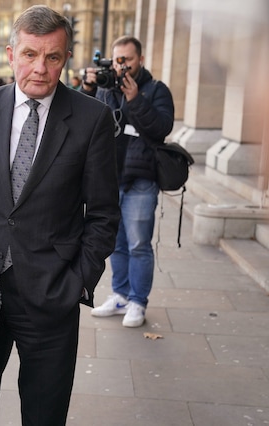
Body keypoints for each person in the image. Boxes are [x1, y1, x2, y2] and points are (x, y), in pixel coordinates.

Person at [0, 5, 120, 426]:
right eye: (30, 54)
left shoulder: (92, 119)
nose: (40, 68)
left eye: (53, 57)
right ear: (11, 53)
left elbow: (104, 213)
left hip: (52, 292)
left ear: (66, 59)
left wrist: (78, 281)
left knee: (44, 412)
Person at [82, 36, 175, 328]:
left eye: (127, 60)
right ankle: (120, 295)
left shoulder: (157, 90)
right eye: (117, 60)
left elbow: (162, 128)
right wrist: (88, 87)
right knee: (116, 245)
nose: (122, 66)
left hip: (140, 181)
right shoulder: (106, 88)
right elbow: (86, 123)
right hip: (109, 179)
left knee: (138, 245)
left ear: (141, 60)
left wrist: (135, 100)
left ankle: (138, 301)